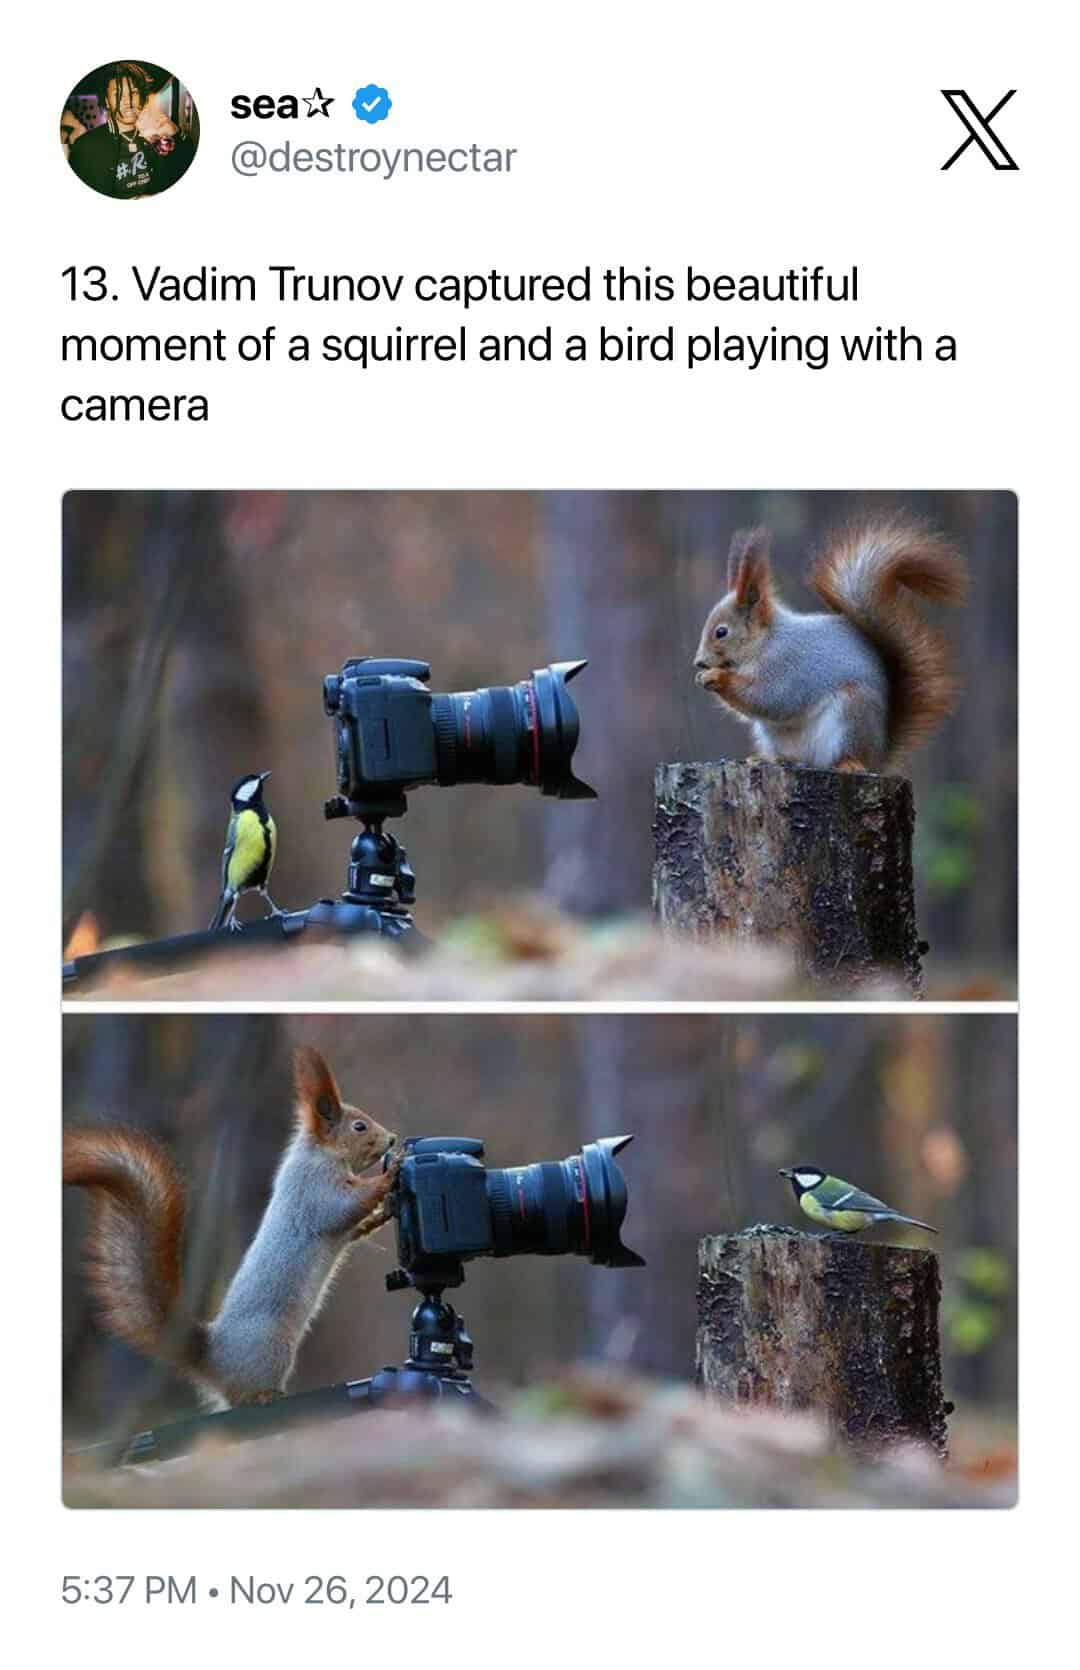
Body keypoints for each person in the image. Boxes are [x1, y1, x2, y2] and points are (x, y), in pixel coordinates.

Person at [66, 61, 196, 199]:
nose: (128, 101)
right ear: (107, 101)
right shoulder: (86, 146)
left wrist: (176, 133)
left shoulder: (155, 136)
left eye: (134, 92)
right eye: (118, 94)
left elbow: (183, 168)